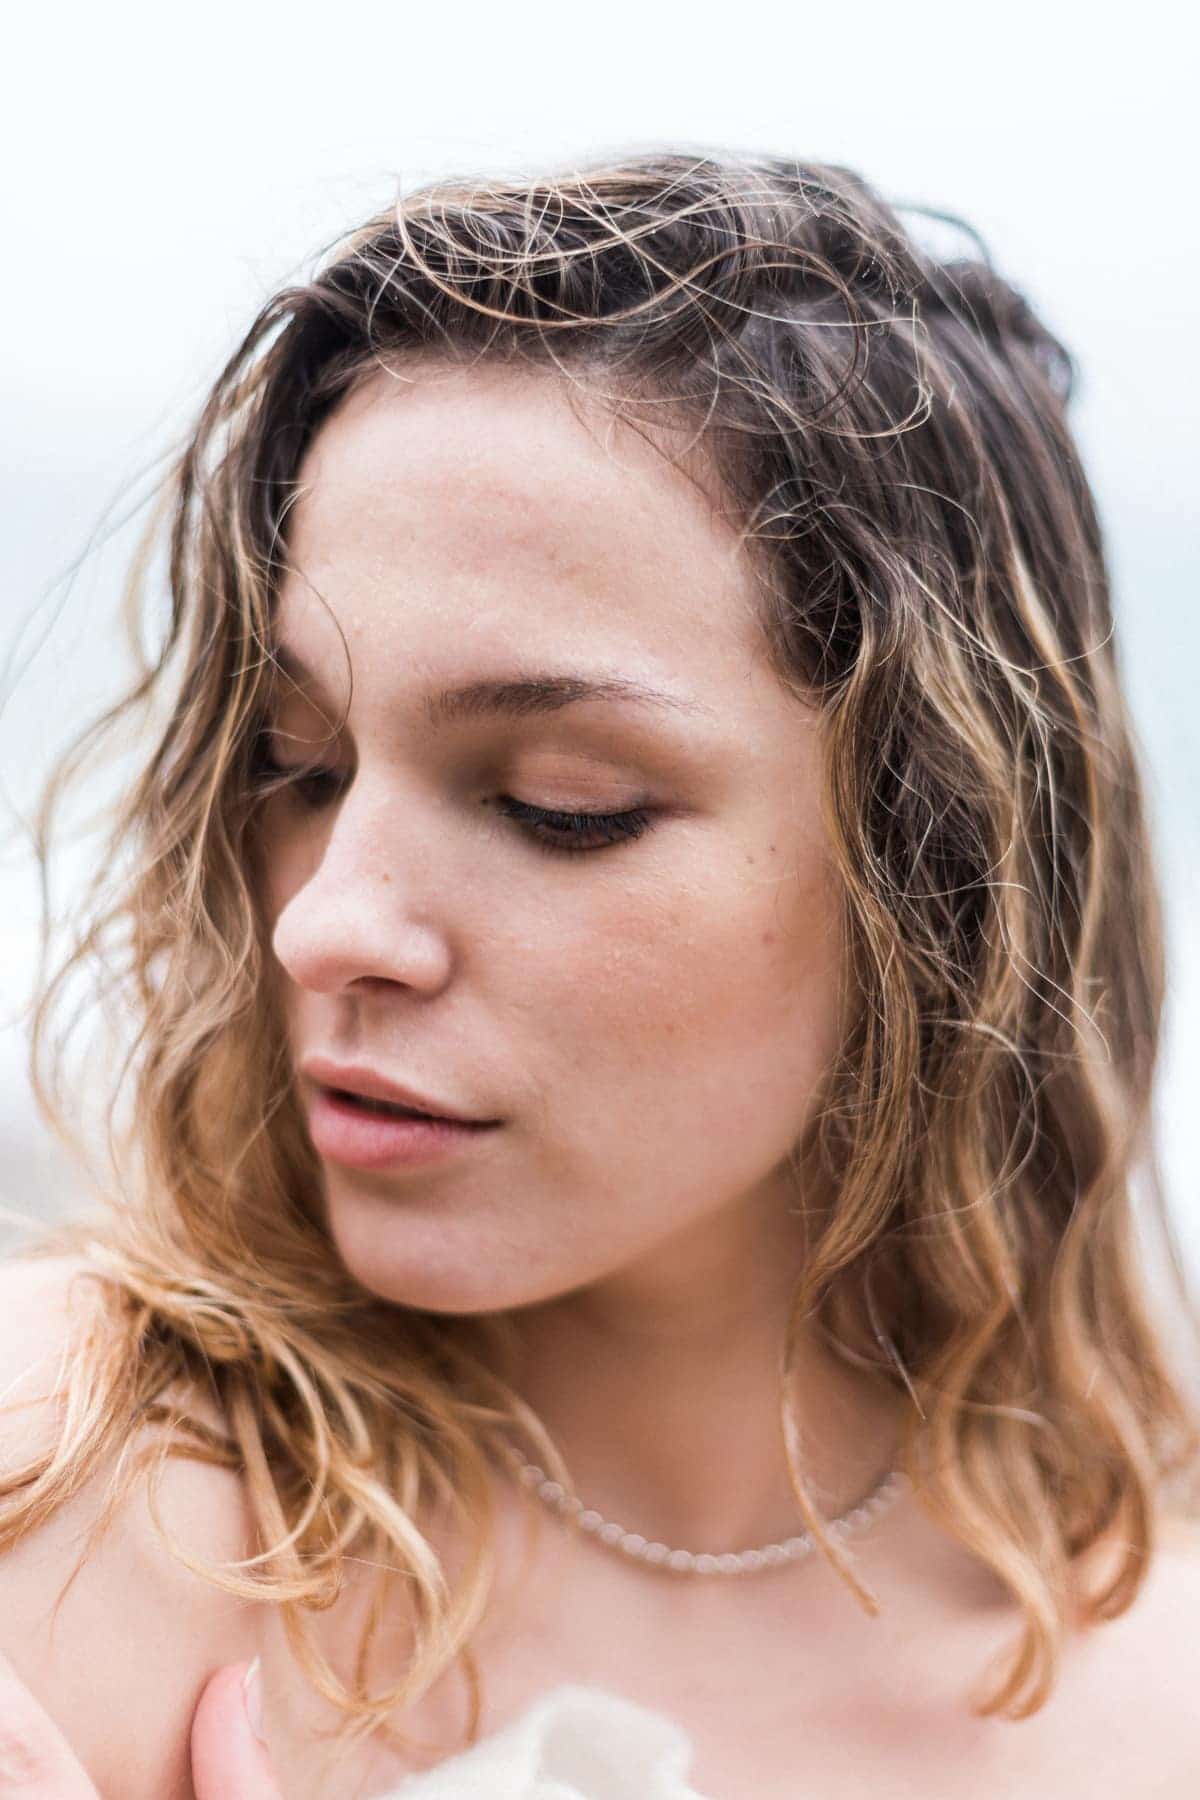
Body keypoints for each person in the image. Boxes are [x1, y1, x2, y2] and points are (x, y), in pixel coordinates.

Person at [1, 148, 1198, 1799]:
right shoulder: (84, 1493)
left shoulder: (1157, 1685)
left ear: (937, 873)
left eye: (562, 807)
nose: (329, 924)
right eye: (299, 764)